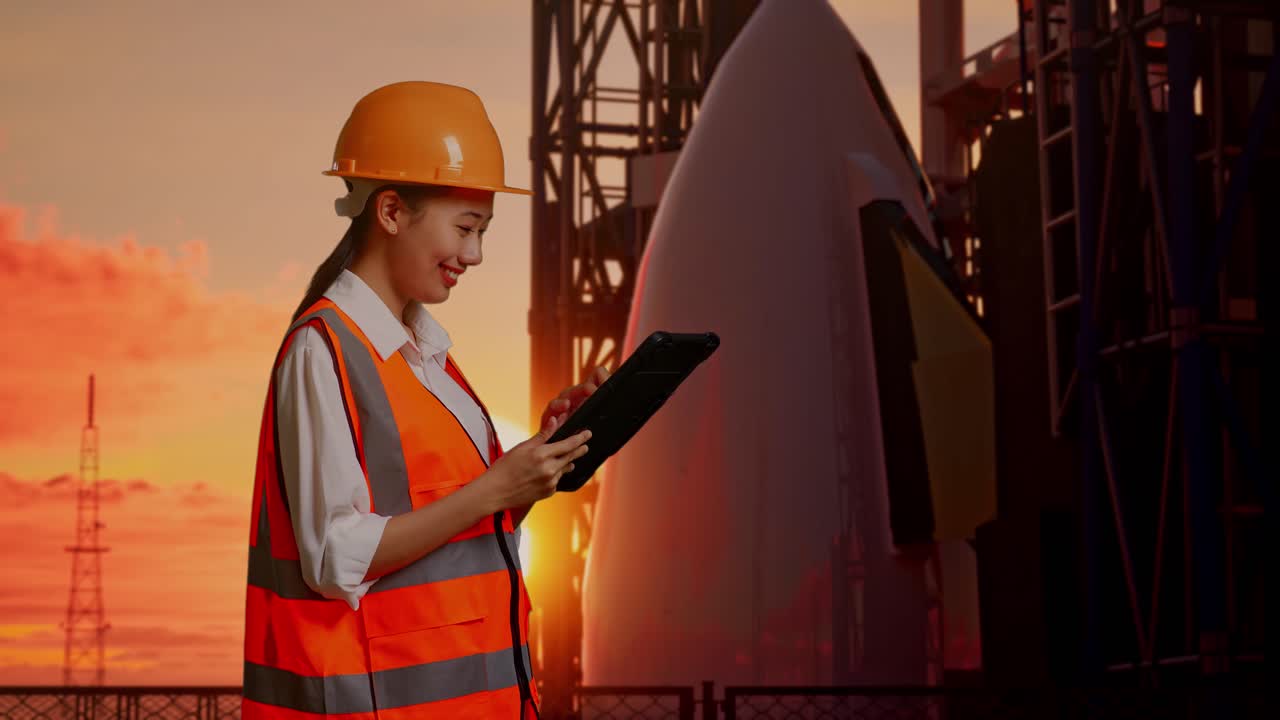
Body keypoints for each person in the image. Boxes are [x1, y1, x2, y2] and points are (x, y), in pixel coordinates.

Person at [241, 81, 608, 720]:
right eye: (466, 228)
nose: (475, 254)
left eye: (483, 231)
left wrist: (526, 475)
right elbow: (335, 558)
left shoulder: (427, 355)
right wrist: (494, 488)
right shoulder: (322, 350)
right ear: (389, 212)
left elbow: (456, 529)